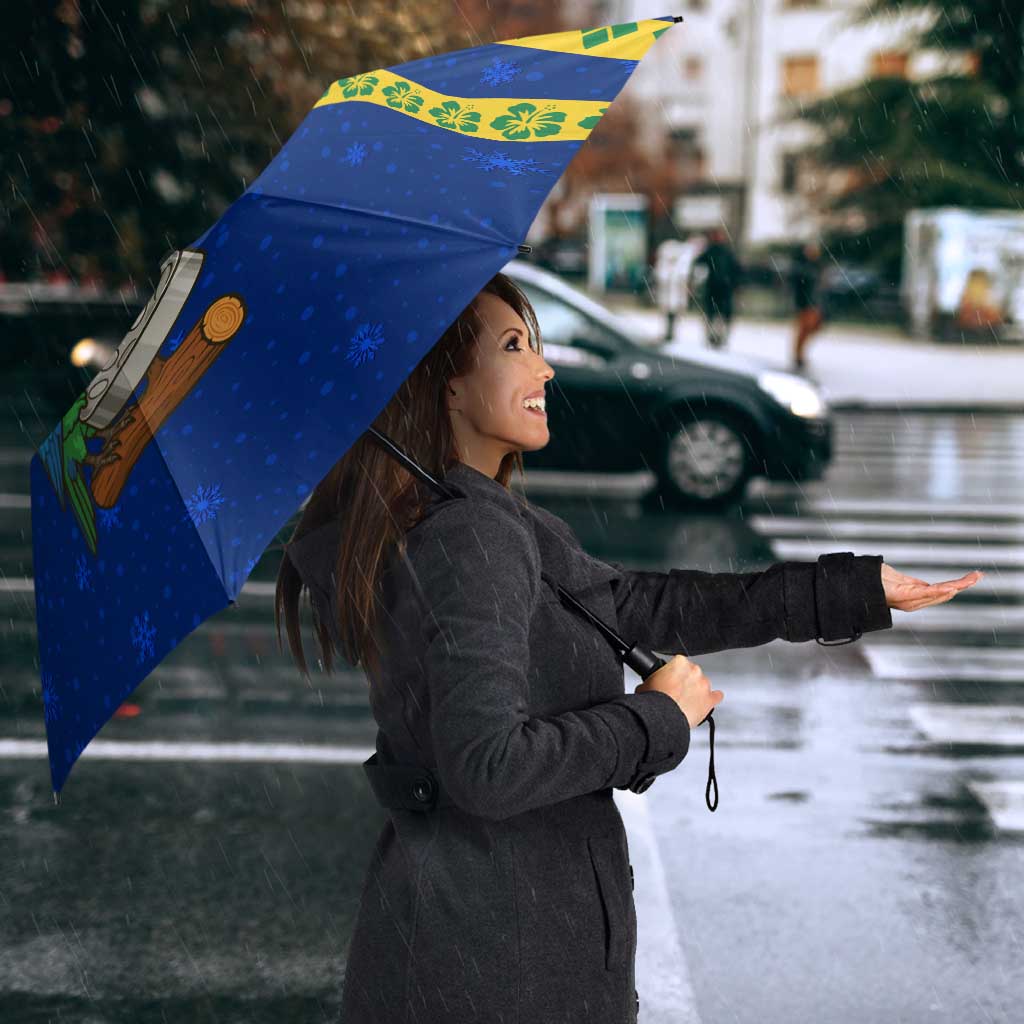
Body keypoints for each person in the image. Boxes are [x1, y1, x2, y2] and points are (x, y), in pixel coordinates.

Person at [275, 272, 978, 1024]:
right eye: (514, 347)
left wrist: (848, 591)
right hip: (499, 962)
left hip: (474, 941)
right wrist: (656, 719)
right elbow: (488, 767)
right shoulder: (471, 536)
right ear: (446, 385)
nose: (544, 368)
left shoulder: (470, 518)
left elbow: (639, 605)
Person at [692, 226, 742, 349]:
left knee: (719, 315)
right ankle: (713, 337)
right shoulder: (714, 251)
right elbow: (698, 263)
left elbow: (736, 270)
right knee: (714, 314)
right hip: (716, 288)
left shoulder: (724, 252)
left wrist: (735, 284)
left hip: (722, 289)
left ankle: (719, 337)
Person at [790, 239, 826, 370]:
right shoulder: (802, 267)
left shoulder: (816, 266)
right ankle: (798, 355)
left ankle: (799, 354)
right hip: (805, 303)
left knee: (812, 327)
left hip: (814, 303)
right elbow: (799, 286)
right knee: (804, 329)